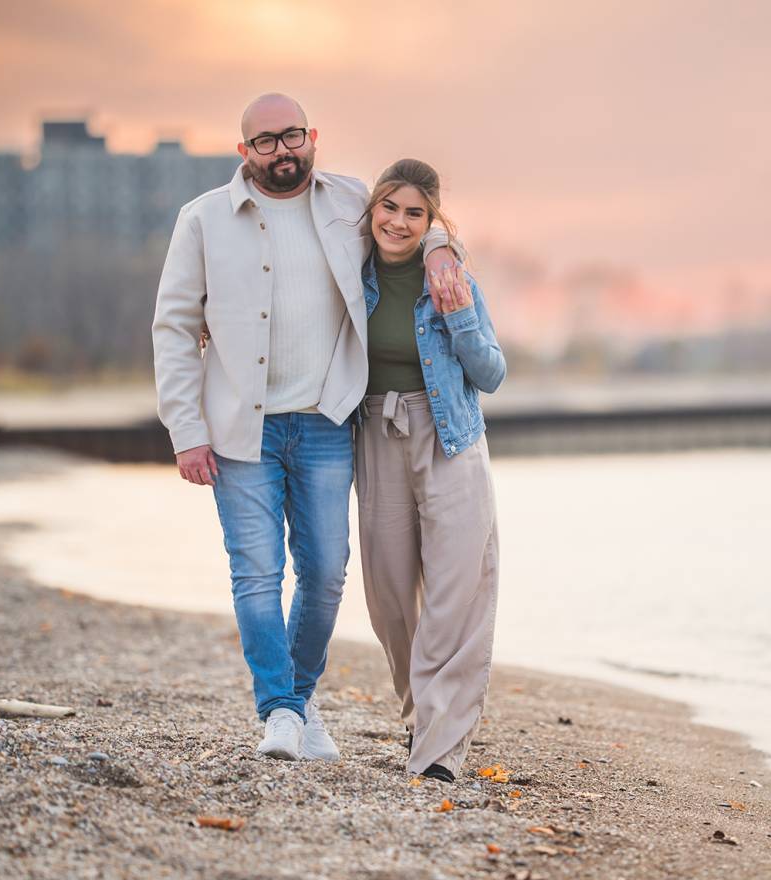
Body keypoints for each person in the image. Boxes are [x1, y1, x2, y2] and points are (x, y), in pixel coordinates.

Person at [151, 95, 460, 762]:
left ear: (312, 137)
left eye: (292, 136)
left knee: (324, 573)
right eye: (265, 141)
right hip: (239, 429)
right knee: (257, 574)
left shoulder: (350, 201)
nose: (281, 150)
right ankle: (282, 712)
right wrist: (185, 429)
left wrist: (439, 247)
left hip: (326, 419)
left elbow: (408, 218)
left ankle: (296, 700)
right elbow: (174, 329)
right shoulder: (202, 219)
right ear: (245, 152)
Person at [355, 159, 505, 782]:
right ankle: (422, 713)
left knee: (457, 591)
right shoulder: (348, 269)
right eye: (390, 207)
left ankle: (442, 748)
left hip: (451, 440)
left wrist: (459, 308)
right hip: (375, 434)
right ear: (373, 209)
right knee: (390, 595)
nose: (399, 221)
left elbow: (491, 373)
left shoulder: (449, 275)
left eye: (416, 213)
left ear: (431, 221)